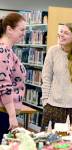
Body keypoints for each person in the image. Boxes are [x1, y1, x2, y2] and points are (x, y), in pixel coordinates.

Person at [0, 12, 26, 143]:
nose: (24, 33)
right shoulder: (3, 51)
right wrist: (12, 115)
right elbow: (4, 84)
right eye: (21, 29)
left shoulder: (8, 50)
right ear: (9, 29)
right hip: (3, 112)